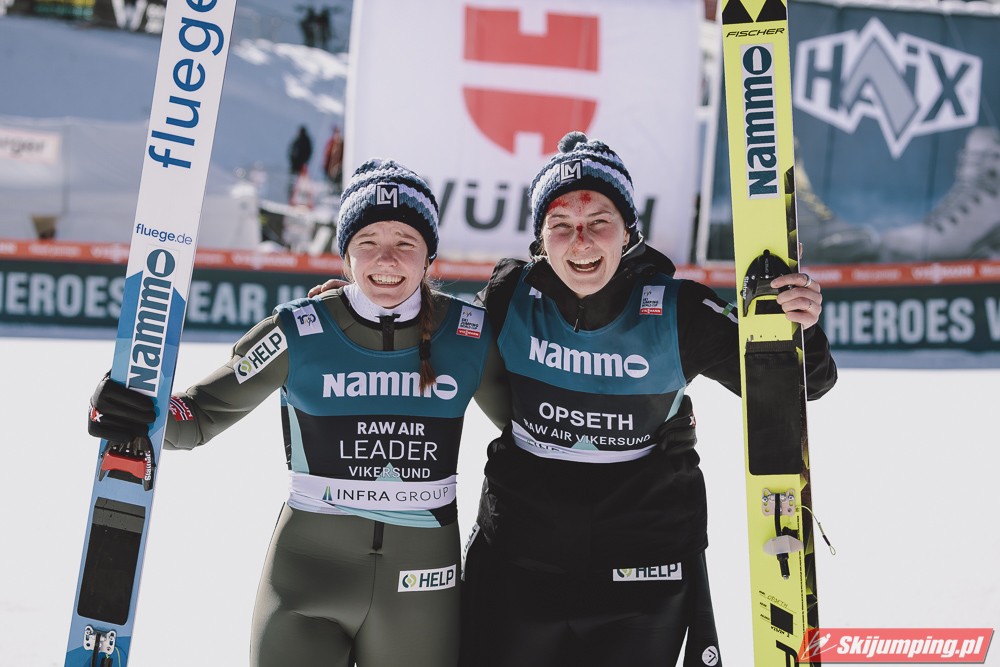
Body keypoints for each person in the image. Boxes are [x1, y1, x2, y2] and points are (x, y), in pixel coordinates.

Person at [307, 132, 837, 665]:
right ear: (541, 239)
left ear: (628, 231)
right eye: (560, 225)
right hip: (519, 565)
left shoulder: (679, 311)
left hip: (641, 576)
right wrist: (361, 313)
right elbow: (435, 342)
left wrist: (800, 325)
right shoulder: (511, 295)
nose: (580, 242)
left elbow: (802, 385)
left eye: (598, 222)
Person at [87, 159, 509, 667]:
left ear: (429, 255)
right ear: (346, 254)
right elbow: (197, 416)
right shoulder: (299, 330)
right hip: (307, 580)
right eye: (368, 241)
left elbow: (538, 427)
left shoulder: (468, 335)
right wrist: (132, 408)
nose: (387, 258)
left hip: (421, 586)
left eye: (405, 242)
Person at [323, 125, 345, 191]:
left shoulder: (341, 143)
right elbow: (327, 155)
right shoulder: (331, 143)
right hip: (330, 168)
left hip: (338, 168)